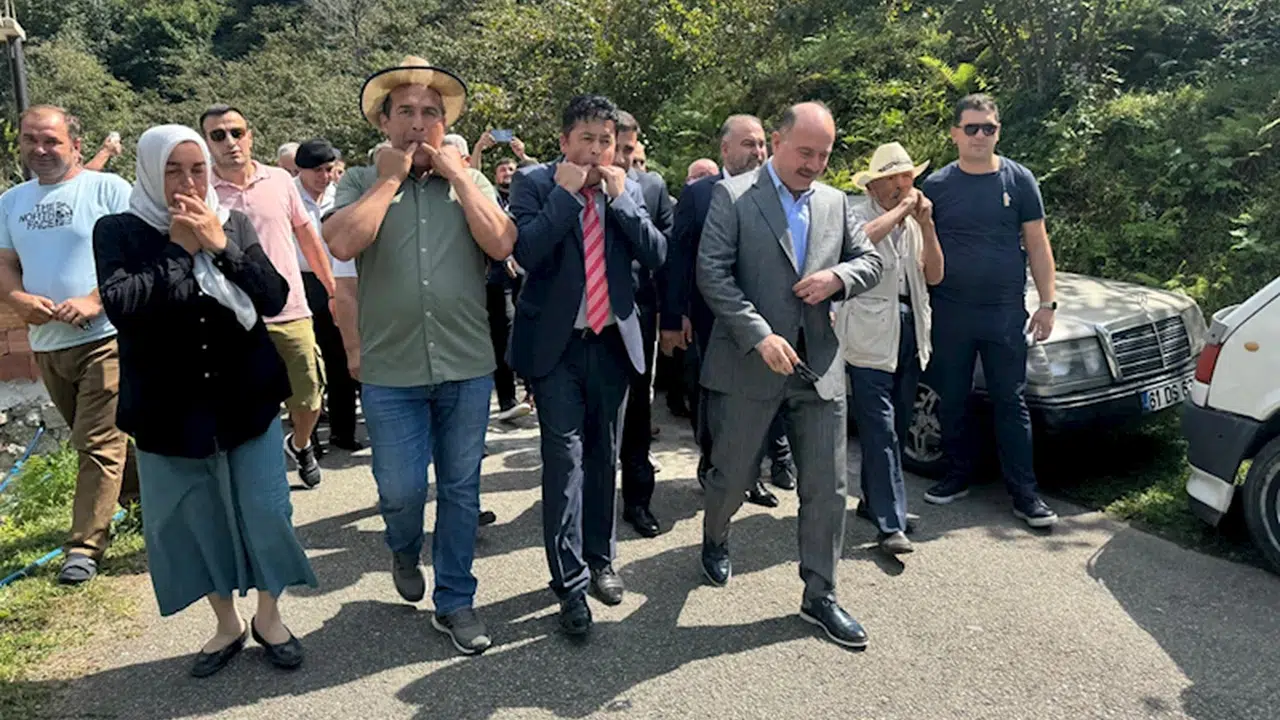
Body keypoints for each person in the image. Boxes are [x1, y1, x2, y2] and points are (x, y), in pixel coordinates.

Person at [94, 125, 317, 677]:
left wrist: (220, 246)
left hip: (248, 399)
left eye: (197, 169)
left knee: (267, 511)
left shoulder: (232, 222)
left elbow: (273, 296)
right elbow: (125, 307)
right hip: (169, 410)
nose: (188, 182)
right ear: (150, 172)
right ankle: (226, 623)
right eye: (173, 170)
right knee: (196, 520)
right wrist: (178, 248)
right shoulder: (118, 231)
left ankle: (270, 617)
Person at [324, 56, 515, 655]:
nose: (417, 122)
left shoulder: (471, 183)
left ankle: (455, 600)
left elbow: (502, 242)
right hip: (392, 371)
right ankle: (404, 549)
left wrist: (460, 175)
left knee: (461, 490)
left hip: (466, 365)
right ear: (383, 122)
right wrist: (389, 181)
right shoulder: (360, 180)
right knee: (401, 490)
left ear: (444, 124)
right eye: (404, 111)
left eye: (430, 112)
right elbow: (341, 243)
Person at [697, 102, 881, 649]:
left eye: (824, 155)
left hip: (817, 368)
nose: (815, 164)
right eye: (805, 152)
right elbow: (713, 273)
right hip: (749, 365)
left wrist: (837, 278)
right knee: (731, 476)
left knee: (827, 488)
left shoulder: (835, 202)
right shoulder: (732, 196)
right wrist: (759, 335)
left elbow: (870, 261)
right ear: (776, 142)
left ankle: (820, 594)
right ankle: (715, 537)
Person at [507, 94, 665, 637]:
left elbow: (657, 254)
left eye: (606, 142)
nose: (598, 151)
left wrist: (621, 202)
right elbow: (525, 252)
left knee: (604, 458)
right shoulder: (534, 183)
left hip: (613, 343)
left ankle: (601, 560)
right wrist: (566, 196)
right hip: (557, 348)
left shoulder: (630, 186)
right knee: (565, 462)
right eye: (587, 140)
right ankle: (570, 584)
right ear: (564, 141)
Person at [0, 105, 138, 586]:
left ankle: (84, 546)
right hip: (47, 343)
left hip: (106, 338)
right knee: (108, 438)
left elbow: (137, 255)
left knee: (95, 441)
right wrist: (18, 299)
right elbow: (4, 264)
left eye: (51, 141)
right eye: (30, 140)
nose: (40, 149)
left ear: (76, 145)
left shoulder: (109, 189)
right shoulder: (11, 202)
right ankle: (143, 502)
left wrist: (96, 300)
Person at [920, 94, 1059, 528]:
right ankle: (956, 476)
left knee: (1010, 402)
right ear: (955, 134)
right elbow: (921, 249)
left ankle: (1025, 495)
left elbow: (1038, 244)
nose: (980, 135)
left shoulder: (1019, 180)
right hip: (951, 311)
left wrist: (1048, 303)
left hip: (1004, 312)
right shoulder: (937, 186)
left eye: (989, 128)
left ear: (998, 132)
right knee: (953, 398)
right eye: (972, 128)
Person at [201, 105, 336, 489]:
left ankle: (301, 443)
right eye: (218, 135)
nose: (230, 142)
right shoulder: (202, 189)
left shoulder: (279, 180)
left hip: (290, 309)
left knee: (309, 396)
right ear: (207, 143)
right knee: (246, 402)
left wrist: (332, 289)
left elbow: (306, 235)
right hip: (233, 316)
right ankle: (257, 478)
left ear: (250, 135)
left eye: (236, 132)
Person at [661, 114, 793, 506]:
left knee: (759, 399)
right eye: (748, 144)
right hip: (709, 320)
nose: (758, 152)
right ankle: (713, 466)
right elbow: (679, 258)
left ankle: (749, 477)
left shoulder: (778, 194)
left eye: (761, 144)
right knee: (713, 401)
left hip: (763, 319)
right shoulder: (700, 194)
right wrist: (674, 317)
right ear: (725, 149)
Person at [839, 142, 944, 555]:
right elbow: (858, 244)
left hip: (909, 329)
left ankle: (873, 501)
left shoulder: (915, 224)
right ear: (874, 185)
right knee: (879, 427)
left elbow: (935, 275)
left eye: (908, 177)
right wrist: (900, 211)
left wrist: (928, 226)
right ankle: (891, 523)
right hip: (868, 333)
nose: (904, 185)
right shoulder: (856, 214)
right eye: (895, 178)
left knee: (898, 424)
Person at [612, 110, 674, 539]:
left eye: (628, 149)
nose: (619, 157)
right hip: (588, 321)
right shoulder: (576, 185)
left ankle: (638, 500)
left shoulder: (651, 187)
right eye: (613, 147)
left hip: (638, 315)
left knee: (638, 411)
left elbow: (667, 257)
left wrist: (670, 318)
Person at [293, 138, 362, 451]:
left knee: (341, 358)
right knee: (305, 363)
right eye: (317, 170)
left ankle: (343, 432)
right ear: (301, 170)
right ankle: (306, 438)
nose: (324, 176)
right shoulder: (288, 195)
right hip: (300, 281)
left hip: (338, 280)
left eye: (329, 169)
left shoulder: (340, 195)